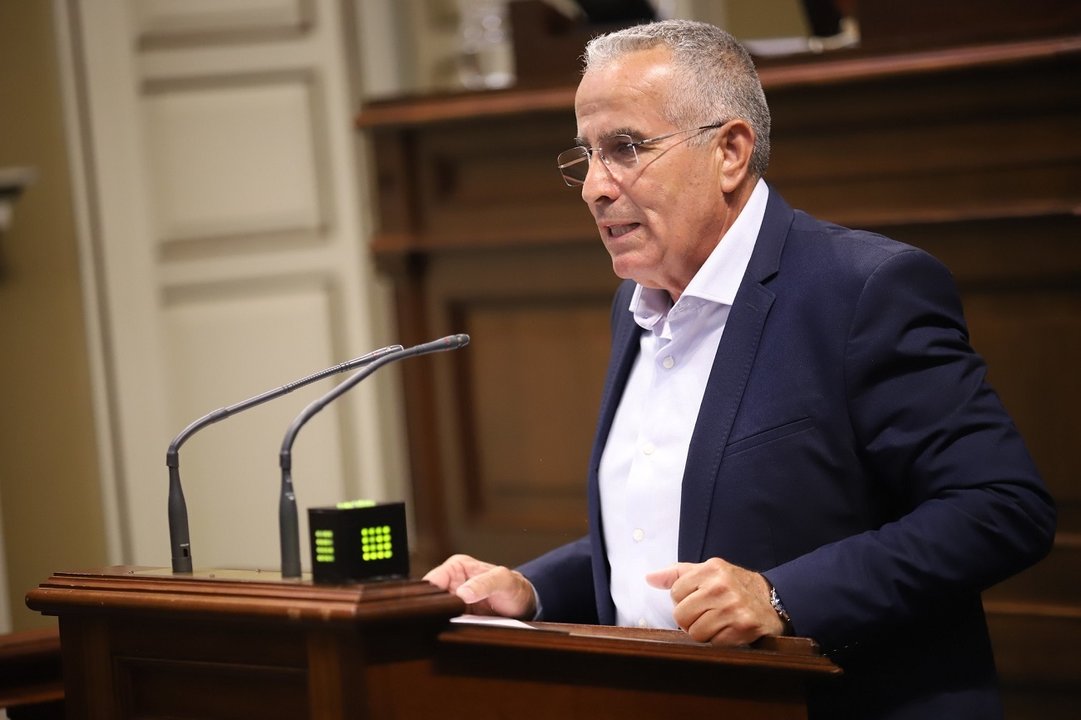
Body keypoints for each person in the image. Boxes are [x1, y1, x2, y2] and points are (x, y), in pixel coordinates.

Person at [424, 19, 1055, 719]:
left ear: (729, 151)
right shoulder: (635, 305)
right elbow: (678, 524)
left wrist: (782, 597)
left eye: (625, 149)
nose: (594, 189)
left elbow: (1000, 507)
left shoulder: (863, 291)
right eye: (586, 156)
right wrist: (530, 590)